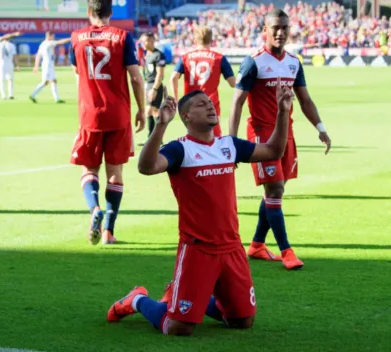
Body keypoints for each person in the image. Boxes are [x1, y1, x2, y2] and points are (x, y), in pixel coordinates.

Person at [106, 79, 294, 336]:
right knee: (178, 328)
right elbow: (147, 167)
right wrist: (160, 125)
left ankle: (181, 296)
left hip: (232, 248)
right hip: (197, 250)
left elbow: (274, 150)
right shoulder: (180, 149)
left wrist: (283, 112)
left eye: (210, 102)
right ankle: (137, 299)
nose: (209, 106)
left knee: (242, 322)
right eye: (201, 104)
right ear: (185, 116)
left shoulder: (228, 145)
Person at [229, 8, 332, 270]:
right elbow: (237, 103)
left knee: (276, 190)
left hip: (287, 135)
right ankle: (287, 252)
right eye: (274, 27)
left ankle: (256, 245)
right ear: (264, 30)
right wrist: (231, 142)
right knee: (275, 189)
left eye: (284, 28)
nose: (279, 32)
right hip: (262, 136)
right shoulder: (253, 62)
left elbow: (305, 100)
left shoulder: (293, 63)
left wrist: (320, 127)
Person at [69, 0, 146, 245]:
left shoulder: (76, 38)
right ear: (111, 12)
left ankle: (94, 210)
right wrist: (143, 110)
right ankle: (108, 232)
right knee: (115, 172)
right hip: (118, 114)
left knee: (89, 170)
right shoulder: (123, 37)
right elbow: (136, 78)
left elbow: (77, 76)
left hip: (89, 114)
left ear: (89, 11)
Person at [170, 26, 235, 136]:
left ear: (195, 40)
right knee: (214, 140)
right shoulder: (219, 58)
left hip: (190, 105)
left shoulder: (185, 57)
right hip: (210, 105)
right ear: (211, 40)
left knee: (194, 138)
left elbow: (173, 78)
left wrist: (176, 99)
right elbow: (233, 83)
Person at [29, 31, 70, 103]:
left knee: (53, 80)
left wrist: (36, 66)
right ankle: (32, 95)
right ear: (49, 36)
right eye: (53, 36)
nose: (54, 38)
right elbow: (60, 42)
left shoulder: (42, 44)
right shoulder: (49, 43)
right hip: (47, 65)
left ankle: (57, 98)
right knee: (45, 82)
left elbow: (38, 55)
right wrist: (71, 38)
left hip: (48, 64)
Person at [141, 32, 166, 140]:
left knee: (152, 110)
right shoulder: (147, 54)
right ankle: (154, 138)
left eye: (145, 40)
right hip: (149, 85)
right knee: (153, 111)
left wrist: (155, 88)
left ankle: (154, 138)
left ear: (152, 41)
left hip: (154, 86)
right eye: (142, 41)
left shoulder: (158, 55)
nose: (143, 43)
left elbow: (160, 74)